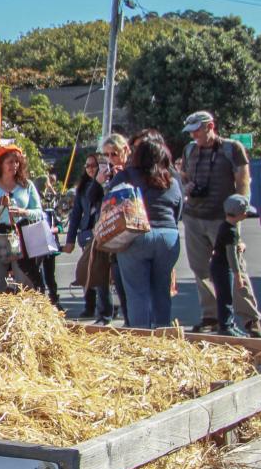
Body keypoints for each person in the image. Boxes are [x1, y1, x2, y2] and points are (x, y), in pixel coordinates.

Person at [177, 111, 261, 337]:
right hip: (194, 216)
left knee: (235, 268)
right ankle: (211, 316)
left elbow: (243, 180)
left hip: (222, 218)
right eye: (191, 131)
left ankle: (250, 319)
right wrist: (186, 186)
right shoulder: (189, 150)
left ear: (210, 126)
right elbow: (184, 175)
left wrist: (240, 208)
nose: (194, 134)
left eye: (198, 129)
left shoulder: (231, 148)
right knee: (200, 270)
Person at [107, 130, 183, 329]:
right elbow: (178, 210)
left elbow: (109, 203)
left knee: (137, 293)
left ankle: (142, 340)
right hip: (168, 237)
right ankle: (163, 336)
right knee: (162, 290)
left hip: (136, 236)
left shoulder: (126, 176)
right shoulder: (171, 181)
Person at [0, 146, 44, 294]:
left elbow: (39, 212)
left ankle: (23, 307)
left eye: (17, 162)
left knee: (24, 280)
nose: (14, 165)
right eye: (10, 162)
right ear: (1, 164)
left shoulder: (26, 185)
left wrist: (23, 212)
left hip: (21, 234)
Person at [64, 154, 115, 324]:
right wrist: (70, 239)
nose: (91, 169)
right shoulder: (83, 187)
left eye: (95, 166)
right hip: (87, 233)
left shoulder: (110, 183)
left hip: (107, 231)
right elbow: (76, 214)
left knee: (104, 273)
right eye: (88, 166)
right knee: (89, 269)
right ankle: (90, 305)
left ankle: (105, 311)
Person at [94, 133, 132, 325]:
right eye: (107, 156)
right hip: (114, 234)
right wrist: (101, 183)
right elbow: (99, 202)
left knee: (132, 283)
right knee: (117, 280)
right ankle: (126, 320)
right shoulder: (109, 176)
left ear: (125, 151)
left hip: (132, 232)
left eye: (114, 154)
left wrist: (120, 178)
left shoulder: (132, 171)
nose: (111, 160)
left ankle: (136, 322)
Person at [210, 195, 256, 338]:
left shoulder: (225, 226)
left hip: (217, 265)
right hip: (224, 267)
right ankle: (226, 326)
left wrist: (239, 246)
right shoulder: (232, 231)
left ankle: (229, 324)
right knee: (226, 298)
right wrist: (238, 276)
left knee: (225, 296)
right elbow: (231, 255)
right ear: (241, 214)